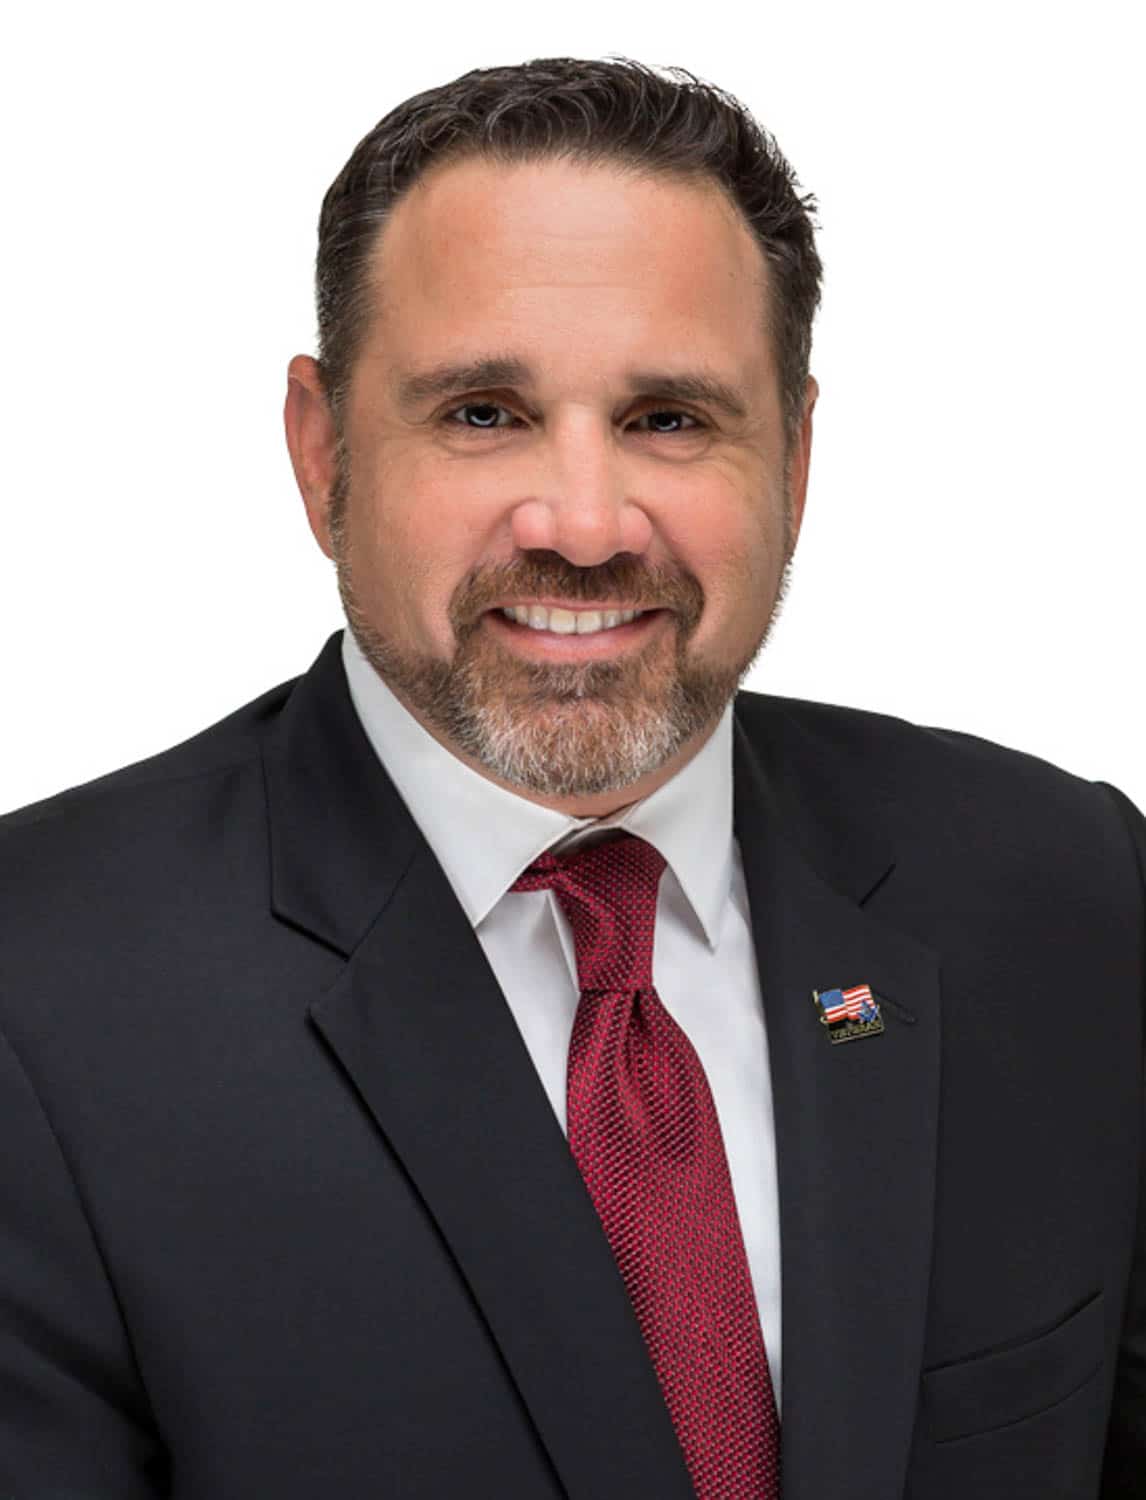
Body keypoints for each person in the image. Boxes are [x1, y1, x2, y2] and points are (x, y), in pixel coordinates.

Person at [0, 55, 1142, 1500]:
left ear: (794, 458)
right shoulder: (36, 989)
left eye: (670, 418)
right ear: (322, 451)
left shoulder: (1067, 891)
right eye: (483, 413)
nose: (586, 526)